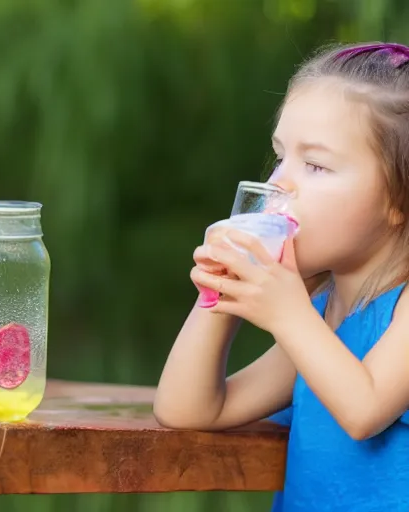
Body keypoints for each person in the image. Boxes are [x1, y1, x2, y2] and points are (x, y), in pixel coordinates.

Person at [153, 42, 409, 511]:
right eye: (280, 156)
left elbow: (363, 410)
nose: (279, 184)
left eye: (315, 165)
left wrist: (287, 312)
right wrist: (222, 290)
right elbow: (186, 409)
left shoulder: (340, 319)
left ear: (398, 198)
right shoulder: (321, 317)